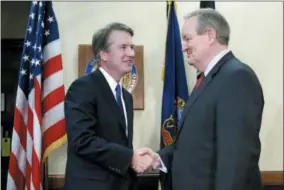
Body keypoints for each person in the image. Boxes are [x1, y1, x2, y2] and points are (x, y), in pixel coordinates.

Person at [140, 8, 265, 190]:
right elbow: (195, 146)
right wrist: (158, 158)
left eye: (188, 38)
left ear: (210, 35)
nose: (183, 47)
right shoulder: (208, 79)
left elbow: (236, 159)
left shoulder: (237, 77)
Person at [63, 22, 153, 190]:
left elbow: (119, 142)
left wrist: (134, 158)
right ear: (103, 54)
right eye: (123, 47)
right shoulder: (83, 88)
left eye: (132, 47)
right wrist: (129, 158)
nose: (131, 53)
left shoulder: (126, 96)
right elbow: (82, 140)